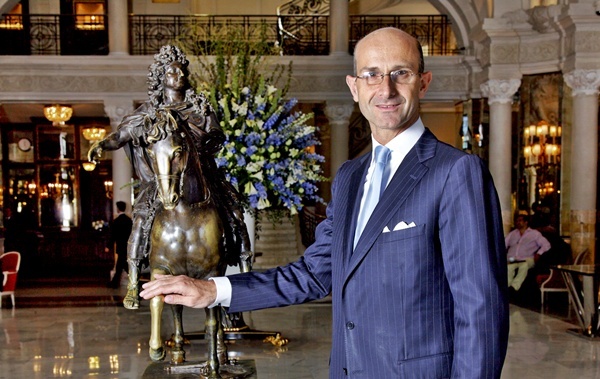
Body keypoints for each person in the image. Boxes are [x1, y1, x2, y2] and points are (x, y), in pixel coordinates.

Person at [140, 27, 509, 378]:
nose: (386, 88)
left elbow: (481, 313)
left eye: (401, 73)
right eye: (371, 74)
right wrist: (212, 290)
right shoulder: (350, 176)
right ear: (354, 87)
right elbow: (314, 274)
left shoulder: (457, 172)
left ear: (424, 83)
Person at [89, 45, 251, 309]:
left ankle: (242, 259)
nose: (178, 75)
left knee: (233, 209)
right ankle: (132, 279)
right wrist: (101, 145)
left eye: (181, 70)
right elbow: (123, 134)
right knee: (141, 217)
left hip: (202, 176)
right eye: (171, 71)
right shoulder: (150, 112)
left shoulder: (199, 106)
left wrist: (202, 141)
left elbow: (216, 134)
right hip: (163, 178)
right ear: (161, 77)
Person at [506, 213, 551, 292]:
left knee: (524, 266)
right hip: (513, 258)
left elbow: (546, 245)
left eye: (520, 220)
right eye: (516, 221)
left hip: (527, 258)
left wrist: (539, 253)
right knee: (508, 267)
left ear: (526, 222)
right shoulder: (512, 234)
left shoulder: (534, 234)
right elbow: (503, 244)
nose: (517, 222)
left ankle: (514, 287)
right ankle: (507, 287)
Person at [107, 201, 133, 288]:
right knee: (121, 265)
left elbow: (112, 235)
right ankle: (114, 283)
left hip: (120, 246)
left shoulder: (116, 221)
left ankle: (115, 283)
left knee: (121, 265)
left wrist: (108, 246)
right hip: (128, 246)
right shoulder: (129, 221)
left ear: (118, 208)